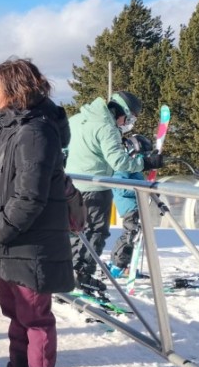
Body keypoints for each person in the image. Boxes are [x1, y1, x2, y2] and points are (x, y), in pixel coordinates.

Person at [0, 58, 75, 367]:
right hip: (12, 244)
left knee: (35, 319)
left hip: (30, 244)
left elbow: (29, 196)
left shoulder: (36, 131)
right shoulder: (13, 129)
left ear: (16, 92)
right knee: (18, 317)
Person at [65, 91, 164, 292]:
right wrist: (145, 162)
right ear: (121, 112)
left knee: (72, 231)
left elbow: (63, 149)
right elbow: (119, 161)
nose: (125, 124)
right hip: (95, 187)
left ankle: (66, 273)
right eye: (128, 119)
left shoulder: (77, 119)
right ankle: (82, 275)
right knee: (95, 232)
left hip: (71, 184)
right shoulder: (106, 127)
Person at [109, 134, 153, 276]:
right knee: (130, 235)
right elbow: (121, 186)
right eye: (142, 154)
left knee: (134, 235)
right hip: (129, 207)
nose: (143, 158)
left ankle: (123, 265)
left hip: (135, 205)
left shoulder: (133, 167)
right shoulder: (123, 166)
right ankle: (118, 265)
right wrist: (141, 191)